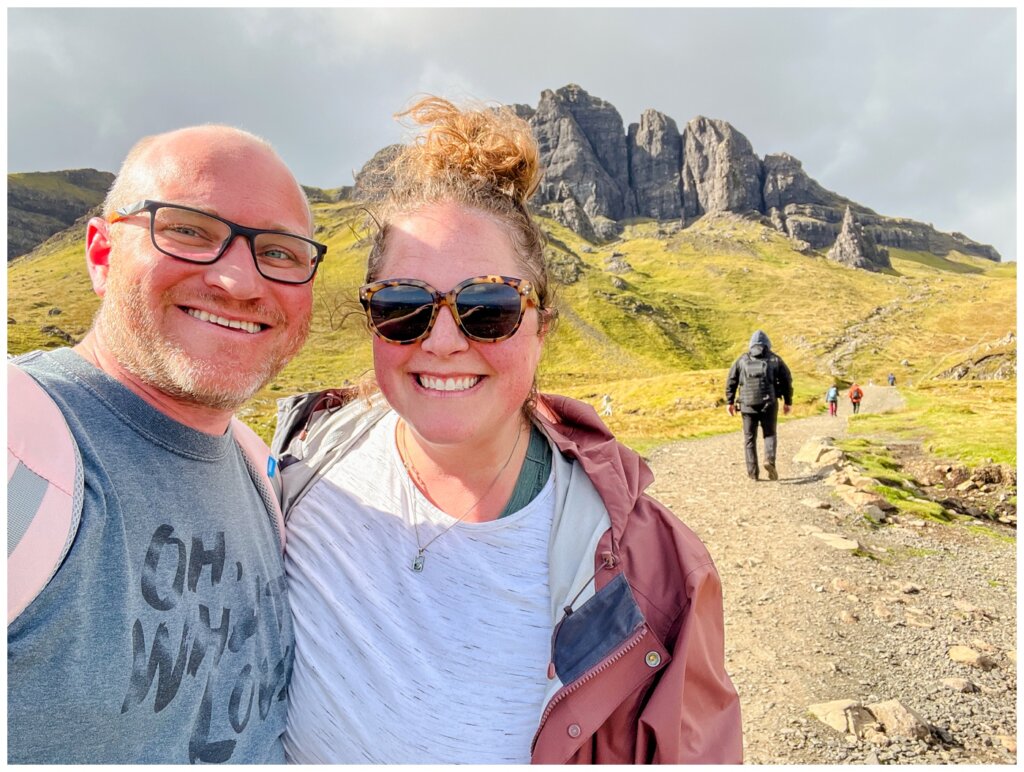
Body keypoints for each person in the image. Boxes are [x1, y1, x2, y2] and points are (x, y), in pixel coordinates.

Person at [274, 97, 741, 764]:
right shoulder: (298, 470)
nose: (440, 342)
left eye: (485, 307)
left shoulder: (656, 572)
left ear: (541, 327)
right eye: (403, 305)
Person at [7, 125, 325, 763]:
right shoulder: (21, 446)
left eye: (282, 252)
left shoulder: (259, 470)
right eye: (187, 230)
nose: (238, 281)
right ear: (101, 254)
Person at [724, 330, 793, 481]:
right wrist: (788, 401)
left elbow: (731, 380)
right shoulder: (775, 360)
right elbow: (787, 380)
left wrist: (729, 402)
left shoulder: (742, 360)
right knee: (769, 434)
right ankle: (769, 460)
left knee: (749, 439)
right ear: (767, 345)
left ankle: (753, 473)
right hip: (769, 403)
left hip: (747, 405)